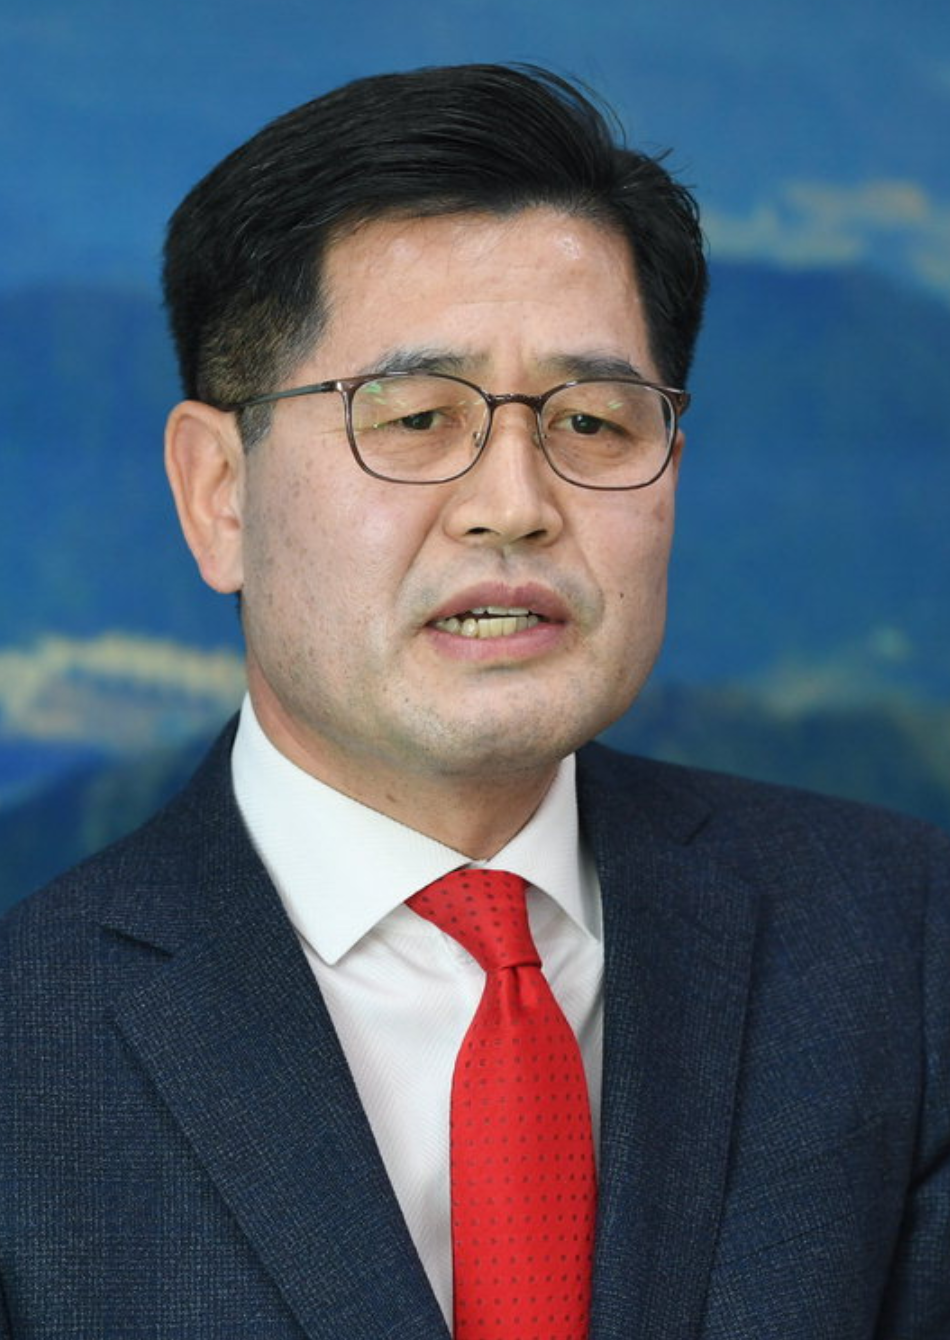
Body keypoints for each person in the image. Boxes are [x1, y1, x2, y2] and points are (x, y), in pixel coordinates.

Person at [1, 63, 948, 1340]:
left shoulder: (900, 946)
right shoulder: (28, 1048)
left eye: (593, 422)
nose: (514, 502)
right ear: (219, 492)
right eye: (414, 418)